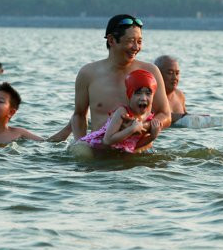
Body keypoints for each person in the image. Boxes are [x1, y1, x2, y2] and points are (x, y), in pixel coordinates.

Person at [47, 14, 171, 144]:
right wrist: (81, 145)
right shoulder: (88, 73)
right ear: (111, 40)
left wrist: (140, 127)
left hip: (138, 152)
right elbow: (79, 115)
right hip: (100, 152)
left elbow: (165, 115)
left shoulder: (150, 72)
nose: (136, 47)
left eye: (139, 41)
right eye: (130, 41)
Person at [76, 69, 162, 153]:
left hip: (108, 154)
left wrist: (152, 136)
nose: (143, 98)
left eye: (148, 93)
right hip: (89, 147)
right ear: (129, 95)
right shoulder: (122, 113)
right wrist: (132, 129)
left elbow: (134, 146)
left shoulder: (149, 117)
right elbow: (107, 140)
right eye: (138, 93)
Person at [154, 55, 187, 123]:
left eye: (177, 73)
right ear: (158, 74)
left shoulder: (180, 95)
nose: (175, 77)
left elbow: (186, 117)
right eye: (170, 73)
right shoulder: (151, 96)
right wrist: (181, 117)